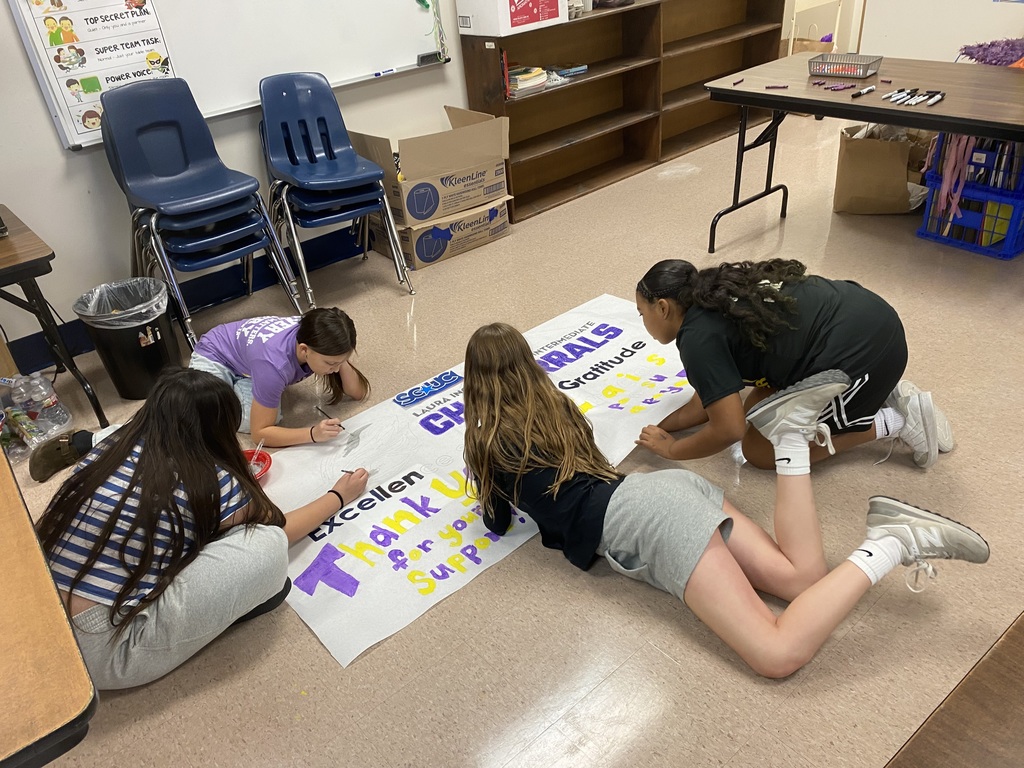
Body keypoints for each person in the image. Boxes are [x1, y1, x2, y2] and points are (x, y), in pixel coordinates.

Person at [462, 323, 988, 678]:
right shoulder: (557, 408)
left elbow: (497, 521)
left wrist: (494, 486)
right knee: (805, 579)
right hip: (660, 490)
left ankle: (892, 544)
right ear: (529, 365)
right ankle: (789, 443)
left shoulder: (484, 441)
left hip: (644, 520)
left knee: (776, 654)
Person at [35, 368, 369, 690]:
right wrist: (339, 496)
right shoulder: (212, 481)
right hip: (99, 650)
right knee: (266, 546)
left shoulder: (112, 443)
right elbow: (281, 528)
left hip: (40, 604)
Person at [634, 258, 954, 471]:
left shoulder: (696, 339)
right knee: (757, 403)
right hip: (871, 318)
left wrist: (673, 450)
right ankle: (877, 386)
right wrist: (656, 426)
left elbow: (728, 428)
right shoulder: (713, 292)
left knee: (758, 451)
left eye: (641, 311)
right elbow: (705, 403)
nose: (641, 319)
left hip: (865, 355)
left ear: (662, 308)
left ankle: (896, 420)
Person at [189, 307, 369, 448]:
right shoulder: (274, 365)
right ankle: (242, 384)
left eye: (341, 361)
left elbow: (357, 392)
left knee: (265, 405)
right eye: (330, 363)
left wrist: (339, 358)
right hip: (214, 355)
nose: (336, 369)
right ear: (304, 349)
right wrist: (312, 434)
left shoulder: (316, 329)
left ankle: (247, 383)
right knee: (212, 416)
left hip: (252, 363)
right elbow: (260, 435)